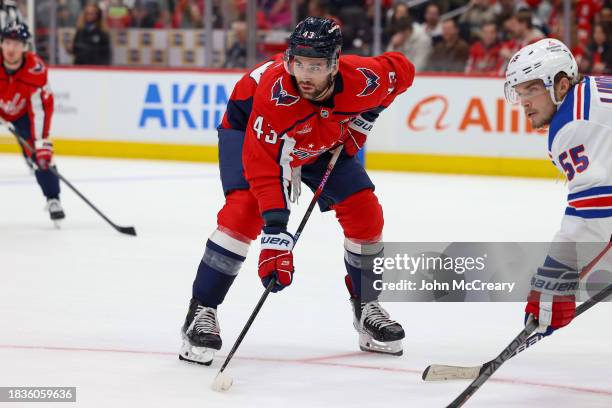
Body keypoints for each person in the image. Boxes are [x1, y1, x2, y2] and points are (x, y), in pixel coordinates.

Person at [179, 16, 415, 365]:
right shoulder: (276, 94)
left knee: (365, 210)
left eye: (316, 66)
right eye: (298, 63)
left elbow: (402, 71)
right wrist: (275, 236)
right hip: (250, 130)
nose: (304, 74)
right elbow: (263, 170)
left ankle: (367, 306)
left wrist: (366, 118)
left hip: (319, 133)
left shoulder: (363, 79)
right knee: (244, 211)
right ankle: (202, 310)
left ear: (335, 63)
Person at [504, 38, 612, 336]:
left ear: (561, 85)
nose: (524, 100)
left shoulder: (574, 125)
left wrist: (554, 284)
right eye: (519, 91)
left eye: (532, 88)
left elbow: (590, 219)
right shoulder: (593, 91)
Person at [0, 22, 62, 225]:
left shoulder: (35, 70)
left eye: (17, 44)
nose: (11, 49)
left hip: (22, 114)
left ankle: (53, 198)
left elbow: (42, 108)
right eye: (7, 42)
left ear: (25, 47)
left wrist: (41, 141)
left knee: (41, 156)